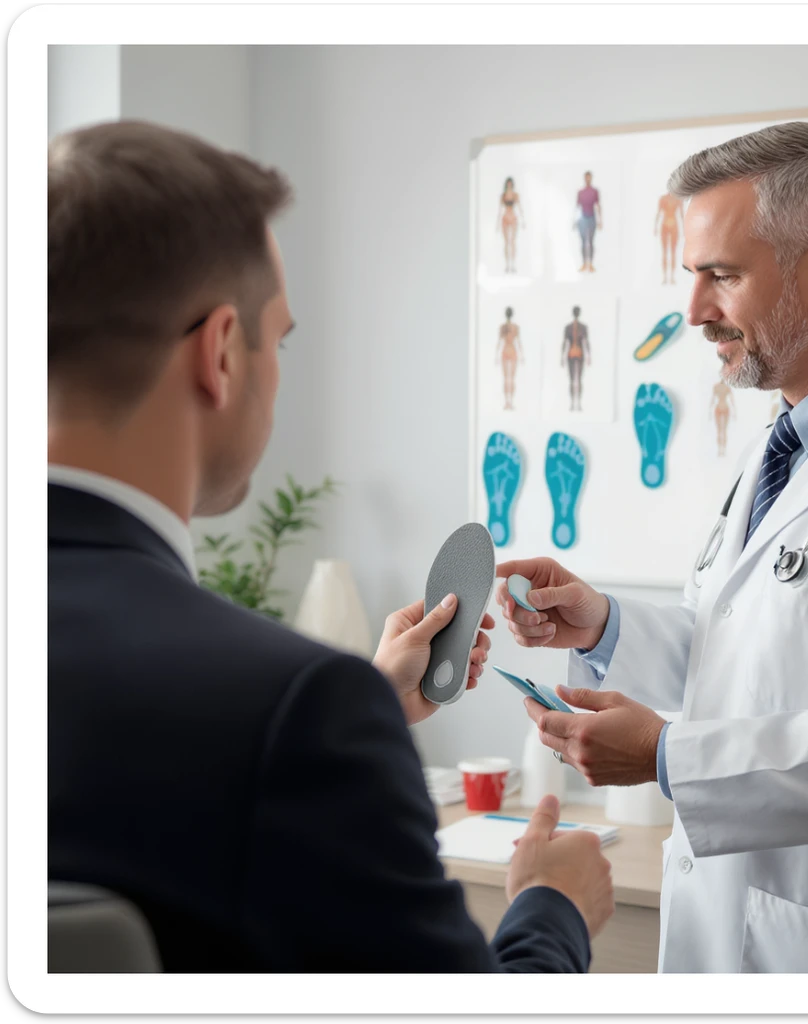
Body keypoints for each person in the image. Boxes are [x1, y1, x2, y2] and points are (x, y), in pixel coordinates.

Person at [47, 120, 613, 973]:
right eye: (278, 341)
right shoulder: (299, 709)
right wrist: (552, 907)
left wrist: (366, 710)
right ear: (220, 355)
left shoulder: (303, 713)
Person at [494, 122, 808, 973]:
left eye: (722, 275)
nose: (694, 312)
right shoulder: (784, 441)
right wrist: (603, 625)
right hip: (733, 934)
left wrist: (665, 757)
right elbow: (746, 653)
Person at [561, 306, 591, 412]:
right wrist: (562, 356)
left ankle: (578, 403)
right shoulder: (569, 327)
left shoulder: (582, 327)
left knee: (577, 379)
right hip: (572, 354)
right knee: (573, 380)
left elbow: (586, 342)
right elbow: (565, 342)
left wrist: (588, 355)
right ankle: (573, 403)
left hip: (578, 354)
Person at [495, 307, 524, 409]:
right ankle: (510, 402)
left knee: (506, 379)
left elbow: (499, 342)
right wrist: (522, 355)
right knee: (511, 379)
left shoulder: (503, 327)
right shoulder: (515, 327)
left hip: (505, 352)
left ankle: (507, 402)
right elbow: (518, 342)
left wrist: (496, 355)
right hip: (512, 352)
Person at [654, 191, 684, 284]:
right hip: (665, 226)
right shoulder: (663, 199)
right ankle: (665, 276)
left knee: (673, 252)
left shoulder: (678, 199)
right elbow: (659, 212)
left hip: (674, 226)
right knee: (665, 252)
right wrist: (655, 226)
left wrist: (684, 228)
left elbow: (681, 214)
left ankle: (672, 276)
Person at [574, 172, 602, 273]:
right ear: (584, 178)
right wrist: (575, 220)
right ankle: (584, 264)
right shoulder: (580, 192)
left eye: (589, 178)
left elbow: (598, 206)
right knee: (583, 242)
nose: (588, 179)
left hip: (592, 218)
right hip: (582, 218)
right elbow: (577, 207)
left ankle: (590, 264)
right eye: (586, 178)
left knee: (590, 241)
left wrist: (600, 221)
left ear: (591, 178)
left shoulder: (595, 192)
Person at [496, 177, 524, 273]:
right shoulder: (503, 196)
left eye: (510, 184)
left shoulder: (515, 195)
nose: (509, 185)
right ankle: (507, 264)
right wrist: (497, 223)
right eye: (508, 184)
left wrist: (523, 220)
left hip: (513, 218)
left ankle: (513, 263)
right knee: (506, 242)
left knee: (512, 242)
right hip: (505, 218)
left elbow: (519, 207)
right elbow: (499, 210)